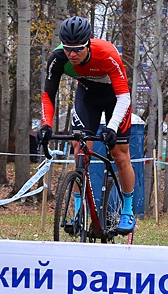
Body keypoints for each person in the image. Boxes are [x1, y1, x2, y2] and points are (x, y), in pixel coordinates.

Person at [37, 16, 136, 235]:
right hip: (87, 95)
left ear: (88, 44)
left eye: (78, 49)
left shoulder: (107, 54)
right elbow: (48, 95)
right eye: (68, 49)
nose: (72, 54)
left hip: (114, 97)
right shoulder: (57, 58)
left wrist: (111, 127)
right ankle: (78, 211)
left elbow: (124, 97)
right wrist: (46, 125)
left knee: (120, 155)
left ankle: (128, 209)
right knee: (80, 151)